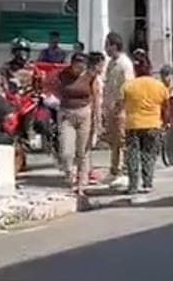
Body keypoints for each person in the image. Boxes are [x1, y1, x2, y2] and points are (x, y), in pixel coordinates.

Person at [122, 49, 172, 202]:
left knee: (132, 155)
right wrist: (166, 122)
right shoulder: (159, 86)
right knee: (149, 155)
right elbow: (166, 107)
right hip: (153, 124)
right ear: (150, 69)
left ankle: (132, 185)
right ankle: (147, 183)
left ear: (136, 70)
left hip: (133, 125)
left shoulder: (128, 86)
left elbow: (121, 105)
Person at [56, 51, 99, 194]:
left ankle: (82, 182)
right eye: (76, 65)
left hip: (84, 113)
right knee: (66, 150)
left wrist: (97, 119)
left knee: (82, 151)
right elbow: (54, 88)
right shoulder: (63, 75)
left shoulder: (90, 77)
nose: (79, 69)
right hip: (67, 114)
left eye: (82, 66)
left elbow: (96, 97)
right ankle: (69, 174)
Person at [103, 32, 135, 186]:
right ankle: (114, 170)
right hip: (110, 108)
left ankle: (124, 172)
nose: (106, 49)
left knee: (122, 141)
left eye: (107, 45)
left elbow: (127, 87)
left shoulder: (124, 64)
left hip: (120, 109)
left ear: (114, 46)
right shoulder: (111, 63)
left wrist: (120, 106)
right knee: (114, 141)